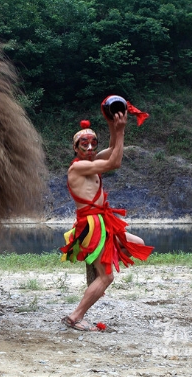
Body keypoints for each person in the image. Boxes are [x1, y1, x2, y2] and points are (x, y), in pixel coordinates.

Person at [60, 112, 153, 332]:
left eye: (94, 143)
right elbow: (115, 161)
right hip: (92, 226)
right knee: (107, 276)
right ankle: (75, 317)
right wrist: (120, 131)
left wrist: (113, 126)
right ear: (75, 148)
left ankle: (94, 282)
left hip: (104, 221)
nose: (90, 148)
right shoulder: (78, 167)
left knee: (136, 244)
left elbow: (112, 150)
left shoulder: (91, 161)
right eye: (85, 144)